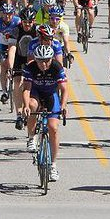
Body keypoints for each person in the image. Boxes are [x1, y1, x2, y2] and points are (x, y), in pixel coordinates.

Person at [22, 44, 69, 182]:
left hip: (50, 94)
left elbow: (64, 89)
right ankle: (32, 137)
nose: (44, 64)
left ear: (51, 58)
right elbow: (26, 89)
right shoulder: (30, 68)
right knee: (31, 106)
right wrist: (25, 106)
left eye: (47, 60)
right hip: (35, 93)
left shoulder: (56, 67)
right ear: (35, 60)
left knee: (53, 128)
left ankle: (53, 165)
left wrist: (63, 105)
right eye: (40, 61)